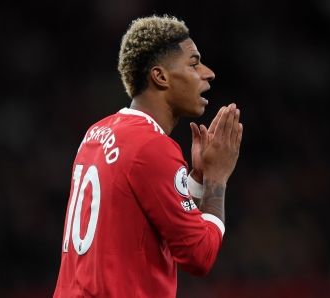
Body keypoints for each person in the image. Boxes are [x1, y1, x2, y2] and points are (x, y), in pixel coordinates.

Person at [53, 15, 243, 297]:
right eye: (194, 63)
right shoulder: (151, 146)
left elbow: (144, 213)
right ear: (161, 76)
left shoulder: (95, 133)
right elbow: (198, 255)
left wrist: (199, 179)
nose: (208, 72)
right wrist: (218, 180)